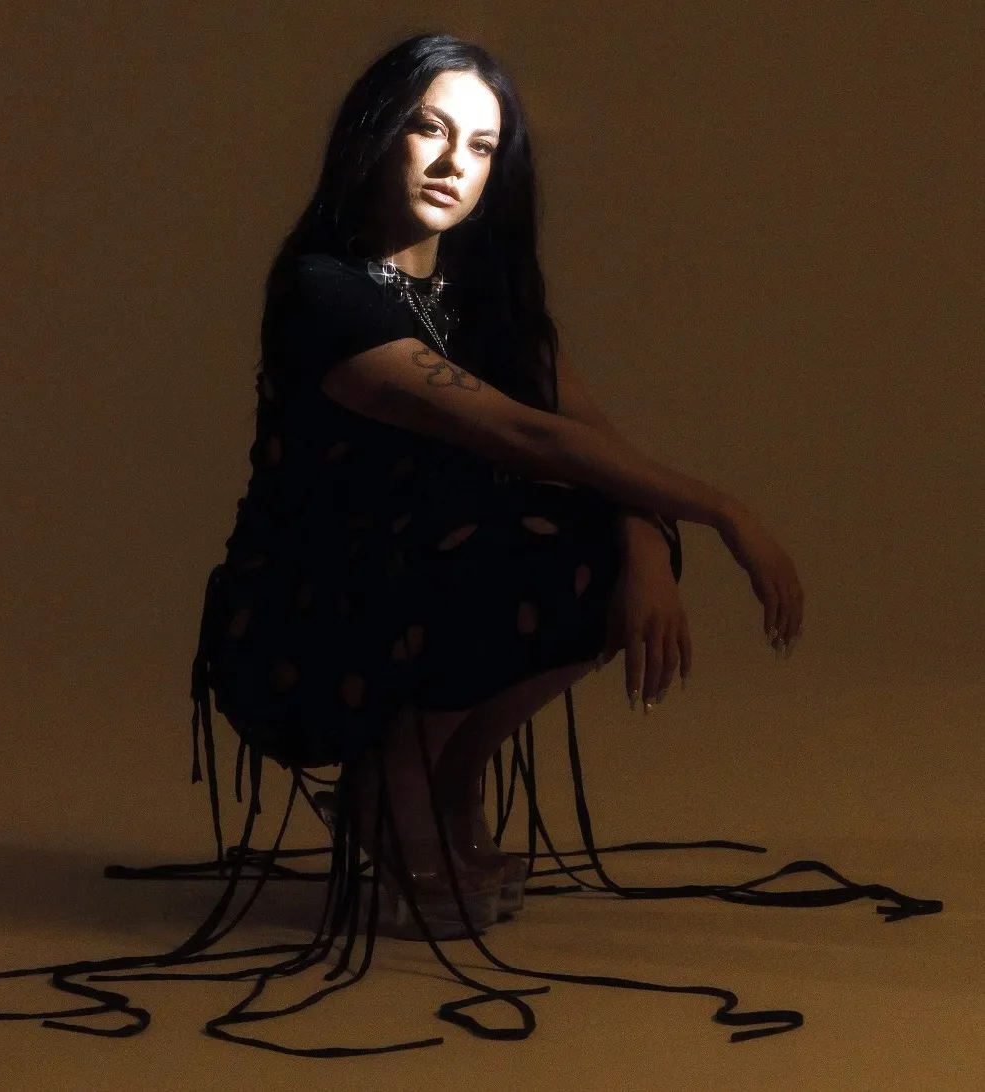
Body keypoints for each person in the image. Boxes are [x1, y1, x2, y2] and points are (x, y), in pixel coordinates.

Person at [193, 29, 803, 936]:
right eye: (429, 130)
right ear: (374, 132)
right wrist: (726, 511)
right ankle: (391, 780)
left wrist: (649, 548)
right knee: (518, 546)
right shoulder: (324, 293)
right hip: (306, 616)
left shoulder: (487, 307)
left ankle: (447, 781)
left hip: (417, 583)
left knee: (612, 537)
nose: (453, 164)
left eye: (481, 147)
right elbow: (530, 435)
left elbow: (598, 447)